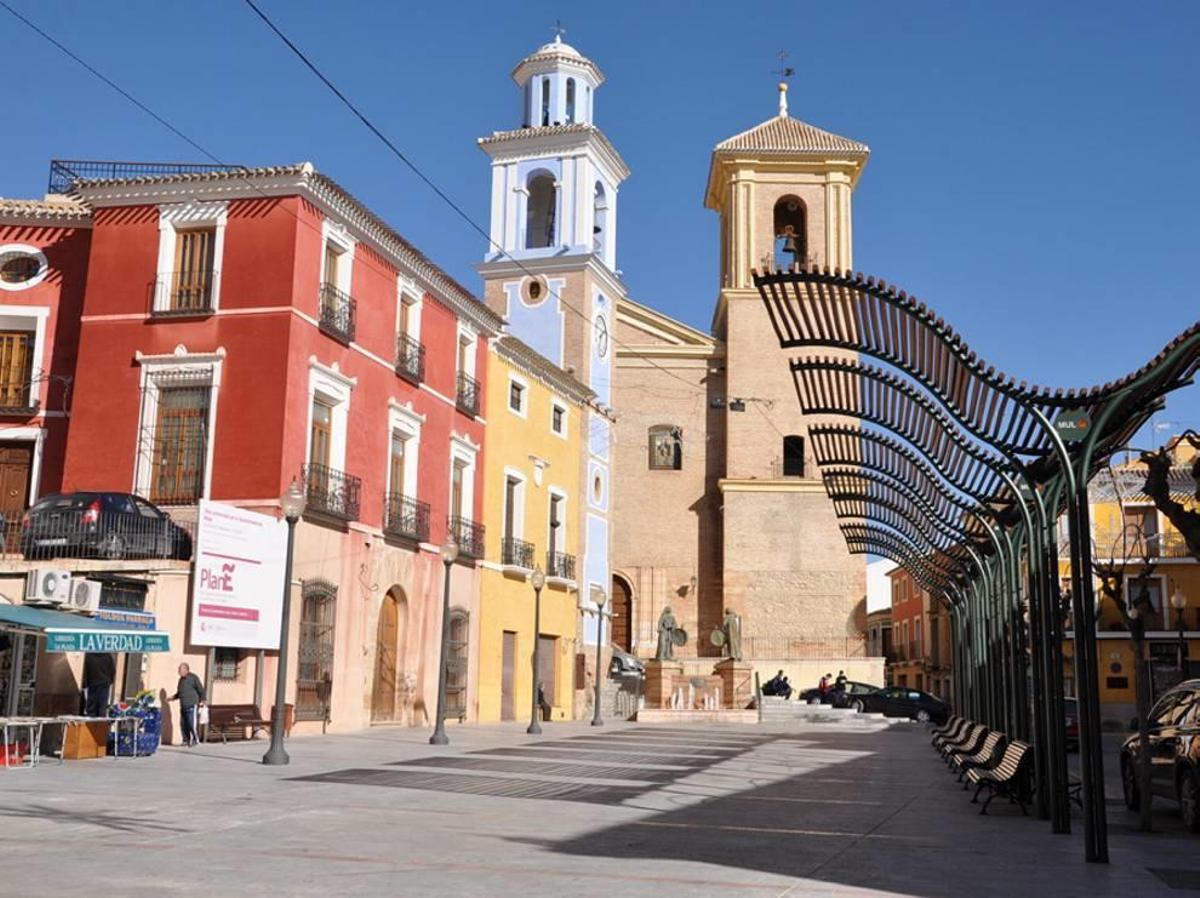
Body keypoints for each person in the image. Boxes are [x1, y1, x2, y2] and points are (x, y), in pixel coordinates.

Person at [170, 663, 205, 747]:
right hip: (183, 705)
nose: (178, 671)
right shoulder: (181, 680)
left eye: (180, 670)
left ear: (186, 669)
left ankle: (195, 740)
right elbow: (180, 693)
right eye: (179, 670)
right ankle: (185, 740)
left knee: (191, 723)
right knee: (183, 724)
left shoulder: (193, 678)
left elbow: (200, 689)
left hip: (192, 704)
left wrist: (203, 699)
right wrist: (173, 697)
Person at [82, 652, 116, 718]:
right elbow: (113, 670)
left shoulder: (88, 655)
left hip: (92, 683)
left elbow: (85, 670)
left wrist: (85, 684)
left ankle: (90, 726)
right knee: (102, 708)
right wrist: (110, 681)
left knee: (91, 709)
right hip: (105, 684)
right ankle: (100, 726)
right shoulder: (108, 655)